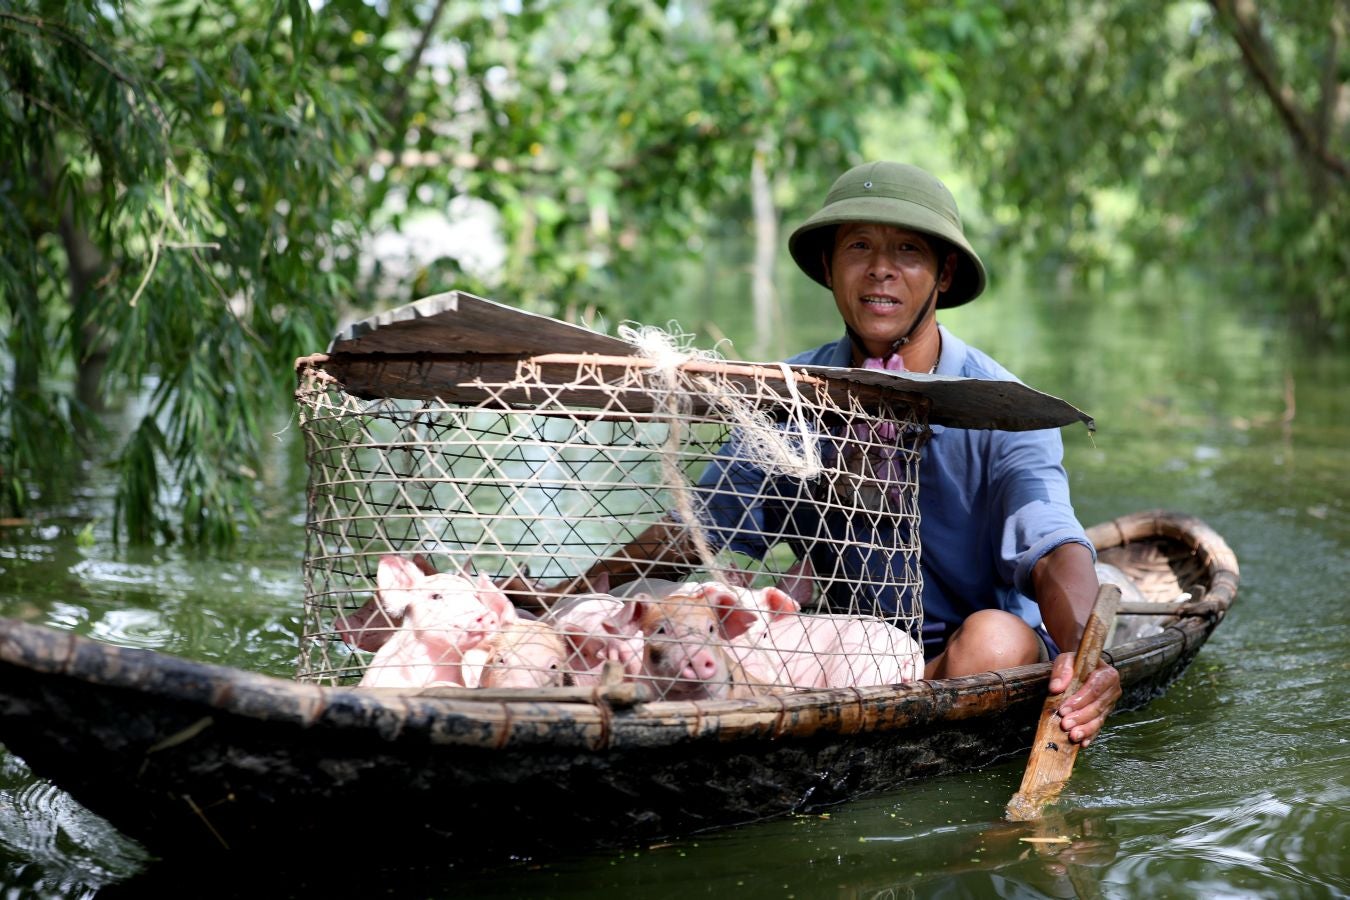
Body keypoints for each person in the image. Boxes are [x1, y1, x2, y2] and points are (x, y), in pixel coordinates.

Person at [554, 161, 1121, 746]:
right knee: (663, 612)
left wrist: (1085, 651)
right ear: (828, 267)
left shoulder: (1005, 409)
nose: (880, 269)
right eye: (858, 247)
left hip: (961, 659)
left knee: (995, 639)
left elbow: (1053, 543)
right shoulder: (789, 397)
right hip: (845, 654)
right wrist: (566, 595)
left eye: (906, 249)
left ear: (943, 274)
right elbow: (699, 525)